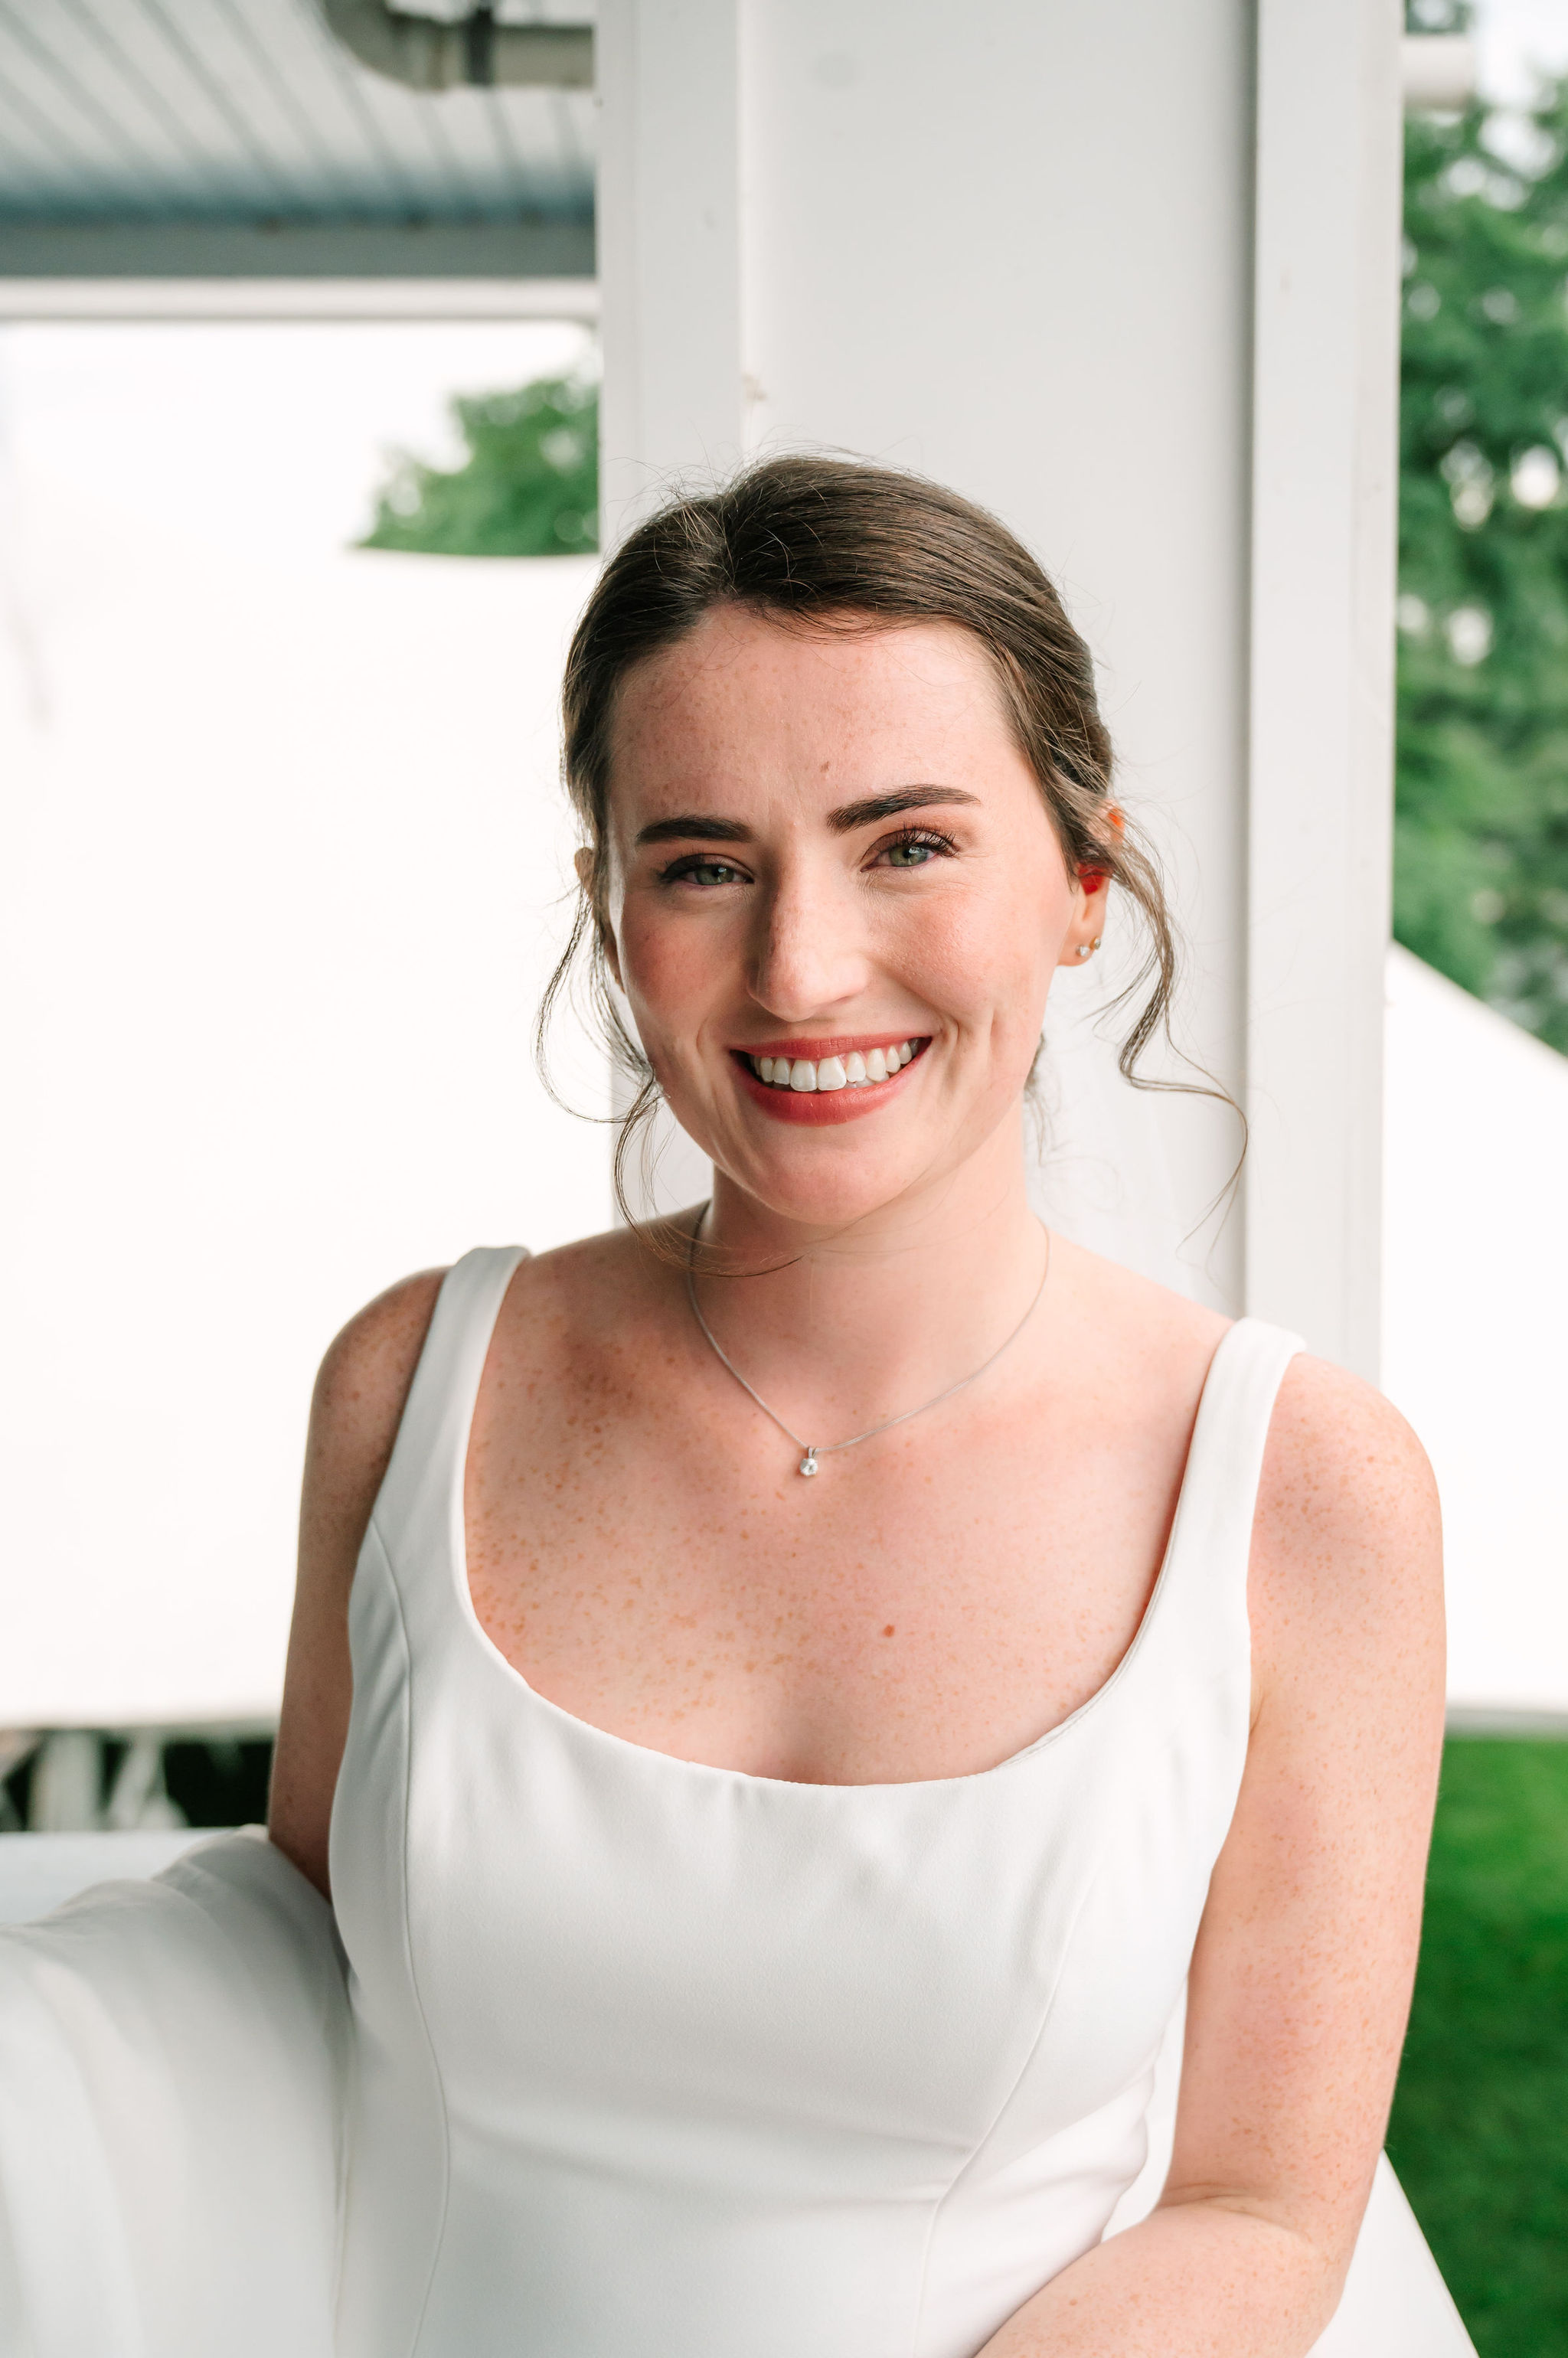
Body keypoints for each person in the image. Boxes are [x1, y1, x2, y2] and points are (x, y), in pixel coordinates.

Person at [267, 456, 1447, 2358]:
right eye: (703, 863)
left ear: (1081, 880)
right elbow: (274, 2009)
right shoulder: (411, 1391)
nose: (802, 969)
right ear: (611, 908)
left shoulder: (1303, 1490)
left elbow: (1259, 2205)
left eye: (905, 844)